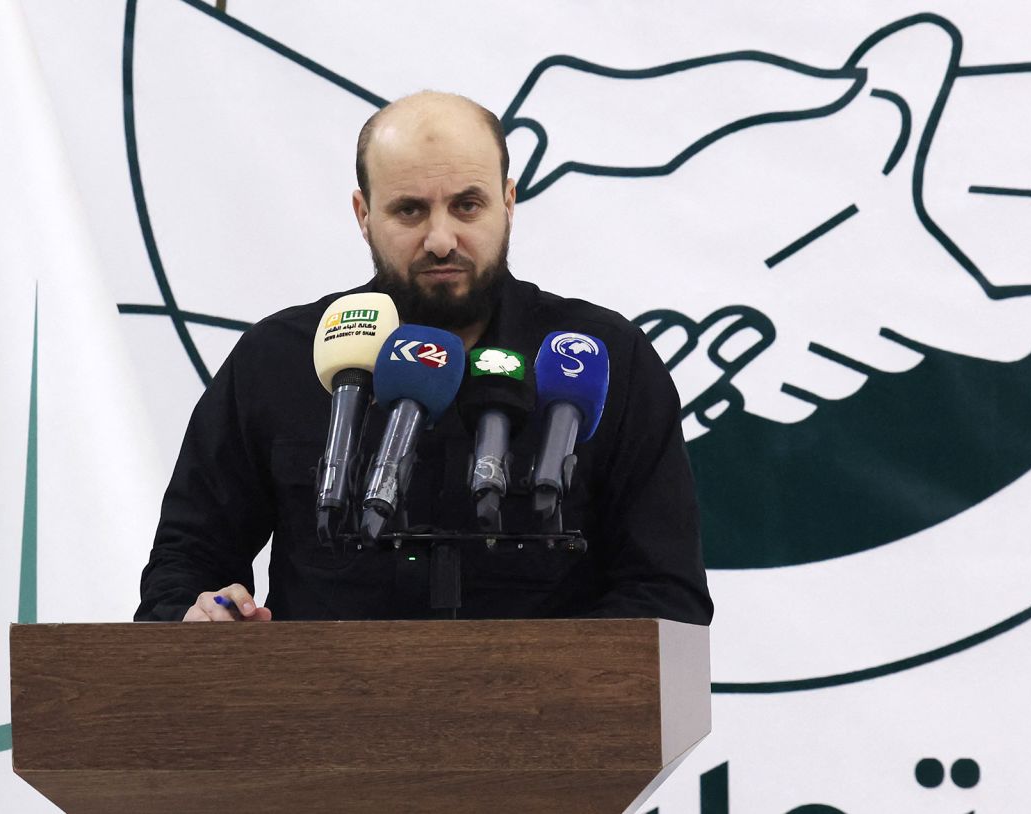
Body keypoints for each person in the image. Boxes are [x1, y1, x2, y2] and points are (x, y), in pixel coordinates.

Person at [135, 91, 713, 625]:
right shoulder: (279, 359)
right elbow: (187, 562)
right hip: (322, 726)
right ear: (363, 215)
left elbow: (665, 593)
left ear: (508, 202)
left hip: (541, 728)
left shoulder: (602, 357)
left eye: (467, 206)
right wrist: (203, 615)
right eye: (410, 211)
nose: (441, 239)